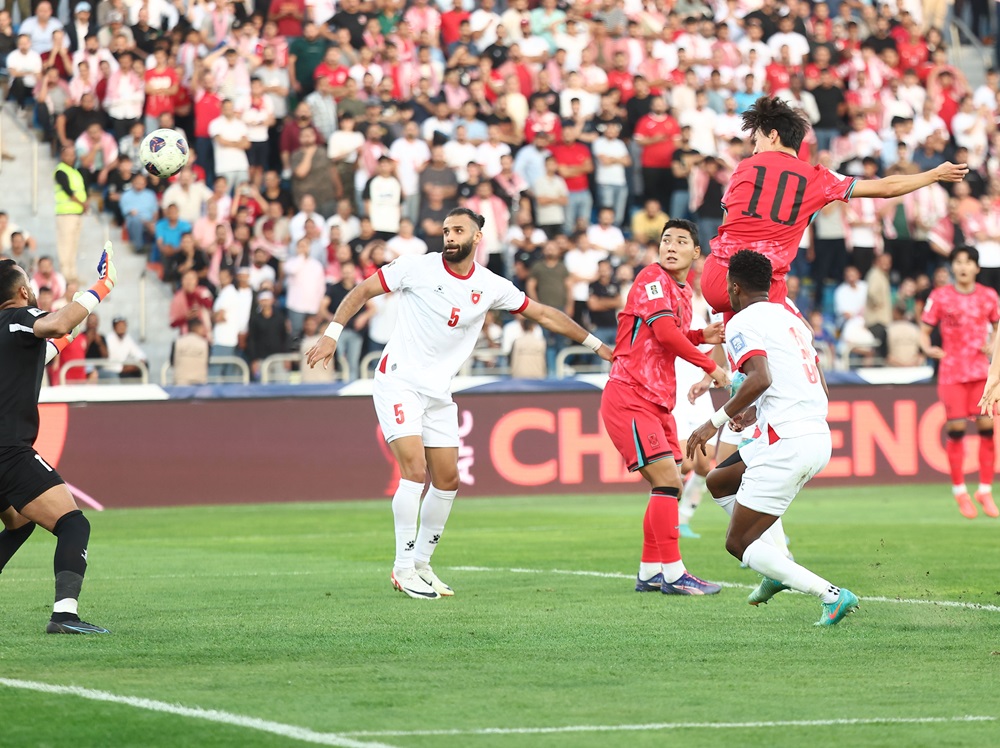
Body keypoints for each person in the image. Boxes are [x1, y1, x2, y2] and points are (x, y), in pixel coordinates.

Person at [305, 208, 612, 600]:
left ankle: (422, 564)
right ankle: (402, 567)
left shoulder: (491, 285)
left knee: (448, 480)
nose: (449, 237)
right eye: (446, 230)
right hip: (398, 380)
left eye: (458, 231)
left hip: (438, 392)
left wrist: (598, 346)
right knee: (414, 472)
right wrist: (332, 333)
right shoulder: (417, 267)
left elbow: (544, 313)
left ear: (478, 237)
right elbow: (362, 290)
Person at [687, 249, 859, 627]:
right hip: (812, 432)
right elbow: (811, 380)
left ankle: (829, 595)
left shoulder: (741, 321)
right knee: (719, 480)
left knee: (738, 544)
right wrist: (753, 409)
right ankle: (774, 566)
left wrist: (712, 422)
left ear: (733, 287)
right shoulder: (793, 320)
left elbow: (760, 377)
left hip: (786, 442)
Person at [700, 96, 970, 320]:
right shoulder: (817, 177)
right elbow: (885, 188)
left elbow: (728, 220)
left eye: (757, 139)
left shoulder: (744, 167)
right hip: (763, 286)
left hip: (718, 277)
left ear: (773, 136)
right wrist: (933, 175)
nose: (755, 148)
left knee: (745, 345)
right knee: (800, 347)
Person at [599, 219, 729, 596]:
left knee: (667, 484)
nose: (670, 246)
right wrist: (712, 366)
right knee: (669, 482)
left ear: (696, 252)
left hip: (656, 400)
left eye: (681, 241)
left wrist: (699, 336)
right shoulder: (651, 278)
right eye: (665, 240)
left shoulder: (682, 291)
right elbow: (664, 333)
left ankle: (650, 571)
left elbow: (667, 333)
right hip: (631, 394)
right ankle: (674, 574)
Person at [0, 242, 117, 634]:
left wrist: (75, 316)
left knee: (19, 522)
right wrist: (103, 286)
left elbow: (51, 344)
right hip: (8, 452)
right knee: (73, 524)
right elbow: (55, 325)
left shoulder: (11, 334)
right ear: (23, 293)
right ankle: (65, 615)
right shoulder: (18, 318)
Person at [919, 247, 1000, 519]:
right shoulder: (940, 296)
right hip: (952, 371)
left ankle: (985, 490)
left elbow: (998, 325)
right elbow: (925, 329)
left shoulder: (989, 296)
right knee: (955, 430)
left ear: (977, 268)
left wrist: (993, 344)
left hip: (981, 371)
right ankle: (960, 491)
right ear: (953, 267)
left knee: (987, 427)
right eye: (958, 262)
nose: (963, 267)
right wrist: (927, 347)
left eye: (968, 263)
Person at [53, 145, 87, 282]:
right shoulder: (60, 171)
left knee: (74, 245)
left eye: (73, 155)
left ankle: (73, 275)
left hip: (76, 213)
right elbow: (68, 190)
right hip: (65, 213)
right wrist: (82, 203)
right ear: (62, 156)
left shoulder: (75, 172)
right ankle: (65, 275)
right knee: (65, 245)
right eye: (68, 154)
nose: (71, 157)